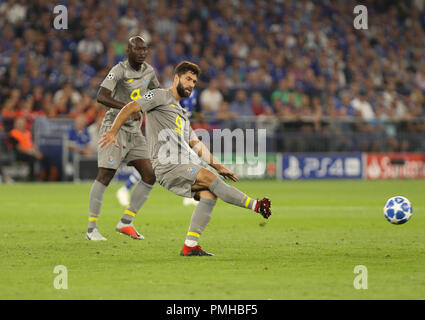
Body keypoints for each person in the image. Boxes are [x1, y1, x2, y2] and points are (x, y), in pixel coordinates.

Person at [99, 61, 272, 256]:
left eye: (194, 82)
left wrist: (219, 166)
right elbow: (130, 107)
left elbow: (196, 144)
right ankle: (256, 205)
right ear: (176, 78)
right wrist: (113, 131)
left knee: (209, 194)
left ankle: (190, 245)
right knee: (209, 177)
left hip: (182, 164)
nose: (191, 84)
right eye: (188, 79)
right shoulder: (158, 95)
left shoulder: (181, 114)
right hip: (168, 165)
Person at [86, 36, 159, 241]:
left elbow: (156, 95)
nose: (142, 53)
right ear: (128, 51)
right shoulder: (119, 70)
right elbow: (101, 96)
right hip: (114, 129)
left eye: (145, 49)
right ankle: (92, 229)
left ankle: (126, 222)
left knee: (150, 174)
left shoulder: (149, 72)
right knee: (105, 176)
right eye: (138, 49)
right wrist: (127, 109)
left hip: (135, 131)